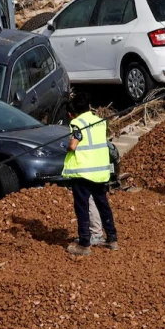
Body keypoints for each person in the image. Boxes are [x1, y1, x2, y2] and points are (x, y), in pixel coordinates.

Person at [63, 106, 118, 256]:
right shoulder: (100, 121)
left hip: (83, 172)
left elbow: (73, 145)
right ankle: (112, 239)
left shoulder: (77, 123)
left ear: (70, 113)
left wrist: (66, 147)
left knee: (82, 207)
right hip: (99, 171)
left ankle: (84, 243)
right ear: (88, 107)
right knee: (103, 204)